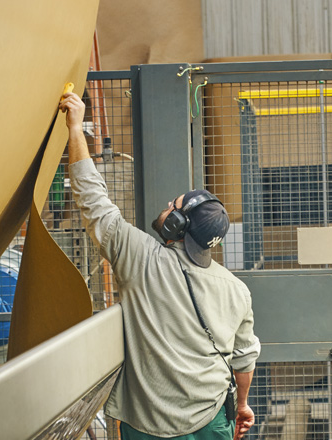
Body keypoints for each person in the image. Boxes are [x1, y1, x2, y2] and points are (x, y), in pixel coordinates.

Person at [59, 92, 261, 440]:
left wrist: (75, 129)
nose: (167, 205)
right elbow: (244, 358)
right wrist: (241, 405)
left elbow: (92, 199)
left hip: (147, 425)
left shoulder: (142, 260)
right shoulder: (236, 289)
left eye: (174, 206)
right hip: (212, 420)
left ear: (176, 227)